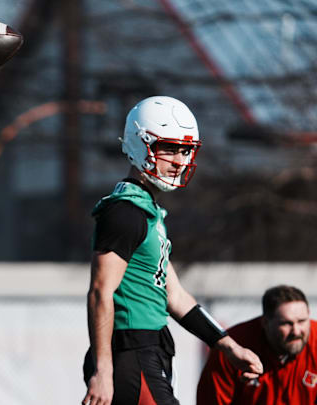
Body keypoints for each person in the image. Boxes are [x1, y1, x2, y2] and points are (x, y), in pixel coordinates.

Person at [81, 96, 264, 405]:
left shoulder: (146, 210)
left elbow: (174, 295)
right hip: (130, 352)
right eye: (169, 148)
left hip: (151, 349)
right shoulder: (125, 212)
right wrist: (103, 369)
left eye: (185, 150)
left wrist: (229, 346)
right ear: (140, 144)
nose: (179, 160)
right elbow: (101, 292)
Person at [197, 285, 317, 405]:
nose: (296, 331)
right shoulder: (233, 348)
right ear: (265, 322)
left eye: (302, 321)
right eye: (286, 323)